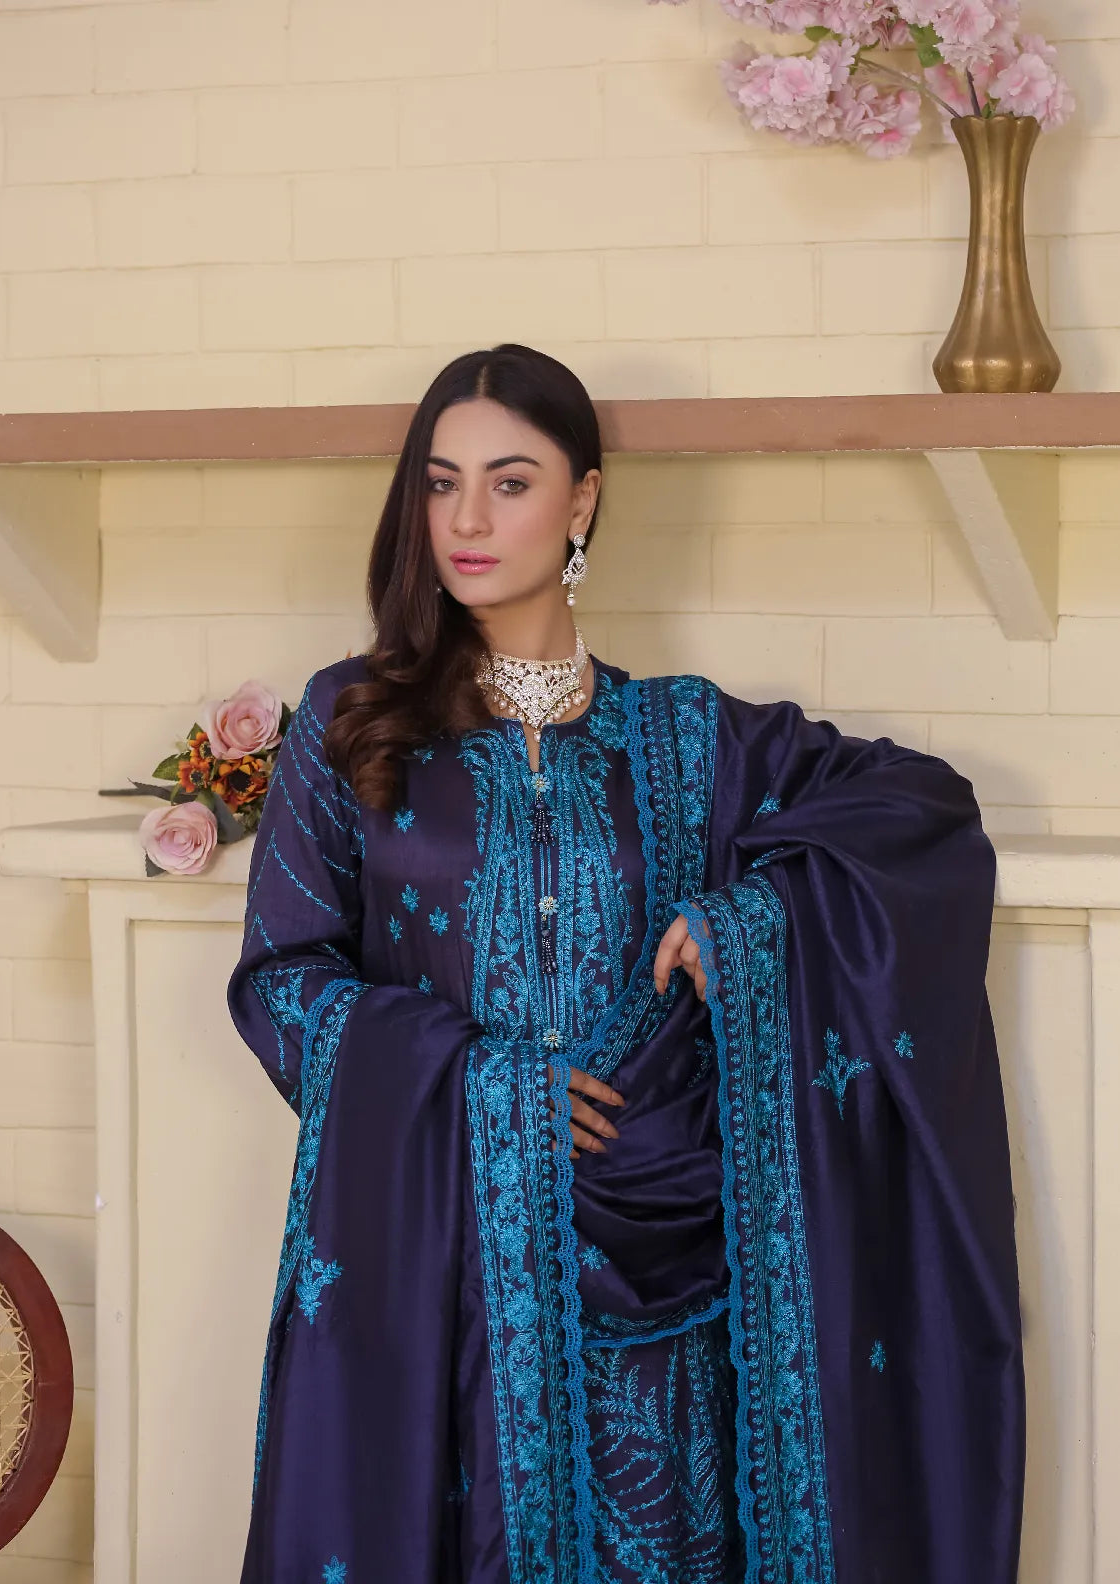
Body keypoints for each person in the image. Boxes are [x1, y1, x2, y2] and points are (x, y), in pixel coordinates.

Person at [226, 342, 1025, 1584]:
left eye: (509, 482)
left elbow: (920, 811)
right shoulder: (350, 723)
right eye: (440, 484)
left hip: (668, 1273)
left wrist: (756, 916)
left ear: (582, 500)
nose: (466, 520)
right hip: (440, 1265)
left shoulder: (691, 739)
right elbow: (282, 977)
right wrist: (477, 1084)